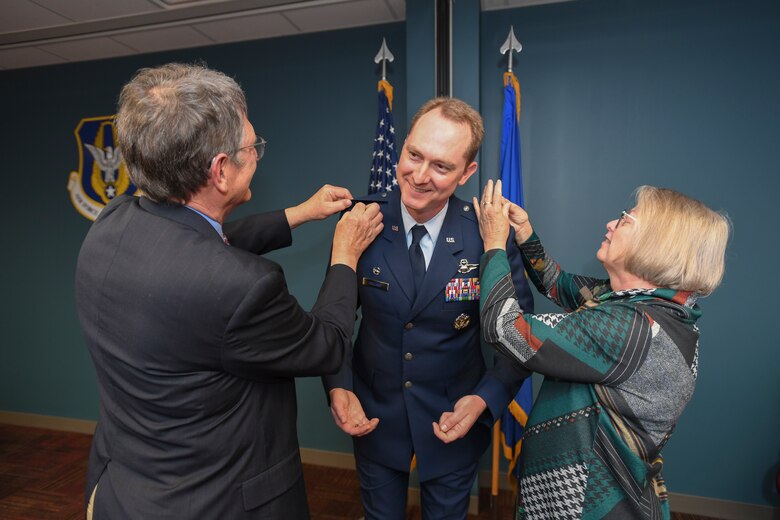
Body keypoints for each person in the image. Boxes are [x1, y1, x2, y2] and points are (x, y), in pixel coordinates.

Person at [74, 62, 383, 519]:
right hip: (213, 503)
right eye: (252, 146)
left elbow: (193, 249)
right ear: (220, 170)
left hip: (122, 491)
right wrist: (345, 254)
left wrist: (297, 214)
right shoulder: (245, 287)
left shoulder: (113, 222)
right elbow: (328, 344)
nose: (258, 154)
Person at [322, 98, 534, 519]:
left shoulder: (488, 234)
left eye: (440, 166)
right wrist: (338, 385)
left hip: (456, 417)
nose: (418, 177)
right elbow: (335, 320)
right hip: (375, 416)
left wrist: (484, 400)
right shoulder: (363, 219)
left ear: (467, 173)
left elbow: (522, 336)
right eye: (413, 155)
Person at [475, 179, 730, 519]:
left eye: (625, 219)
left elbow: (505, 329)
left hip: (584, 508)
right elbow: (558, 285)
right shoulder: (648, 307)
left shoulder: (633, 329)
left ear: (658, 245)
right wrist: (524, 233)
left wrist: (493, 243)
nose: (611, 224)